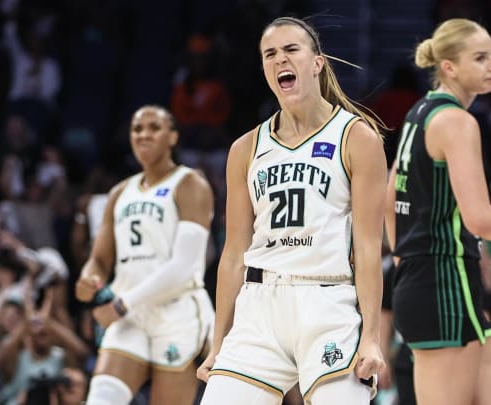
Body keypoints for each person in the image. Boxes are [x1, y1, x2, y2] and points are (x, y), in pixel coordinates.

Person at [197, 16, 387, 405]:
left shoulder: (356, 137)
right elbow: (233, 253)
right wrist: (218, 342)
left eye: (290, 50)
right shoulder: (245, 148)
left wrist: (371, 336)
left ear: (317, 63)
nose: (280, 60)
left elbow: (368, 248)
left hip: (328, 301)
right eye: (270, 54)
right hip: (259, 305)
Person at [384, 18, 491, 405]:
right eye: (480, 58)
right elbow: (479, 218)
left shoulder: (419, 115)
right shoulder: (456, 121)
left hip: (437, 283)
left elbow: (389, 193)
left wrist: (403, 257)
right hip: (443, 284)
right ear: (449, 67)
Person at [75, 105, 215, 405]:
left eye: (154, 127)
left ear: (173, 137)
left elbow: (184, 267)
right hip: (130, 316)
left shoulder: (190, 184)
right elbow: (100, 259)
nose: (144, 135)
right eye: (137, 129)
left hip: (175, 313)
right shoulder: (119, 193)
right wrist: (90, 277)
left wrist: (121, 304)